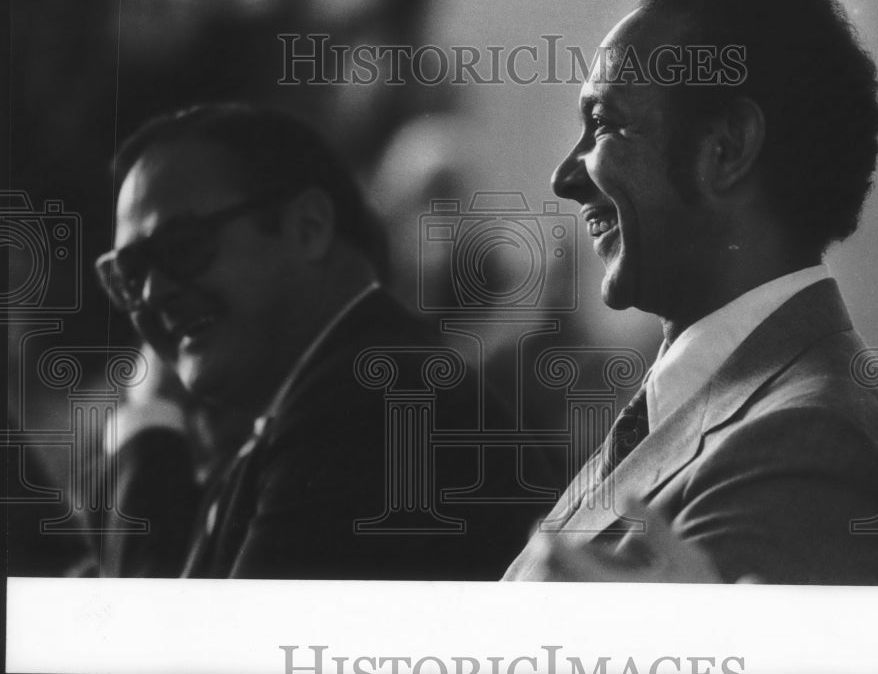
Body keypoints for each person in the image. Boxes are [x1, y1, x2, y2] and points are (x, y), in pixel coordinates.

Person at [503, 0, 878, 585]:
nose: (566, 177)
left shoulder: (807, 441)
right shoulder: (719, 402)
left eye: (605, 126)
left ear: (727, 149)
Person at [95, 103, 554, 578]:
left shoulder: (370, 405)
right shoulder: (312, 404)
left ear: (309, 228)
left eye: (182, 246)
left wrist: (148, 423)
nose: (153, 293)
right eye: (129, 273)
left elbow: (160, 645)